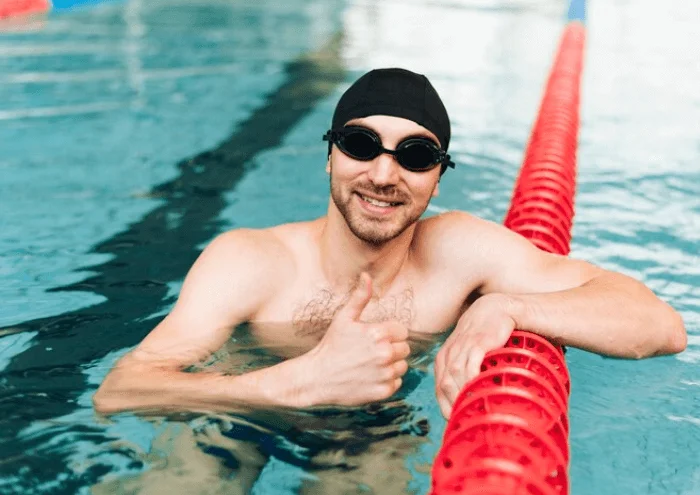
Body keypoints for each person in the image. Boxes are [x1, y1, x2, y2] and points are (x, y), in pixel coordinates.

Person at [94, 67, 687, 420]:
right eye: (360, 144)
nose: (383, 174)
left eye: (416, 155)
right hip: (233, 419)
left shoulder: (459, 254)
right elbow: (121, 391)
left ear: (438, 175)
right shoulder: (251, 261)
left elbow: (661, 327)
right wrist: (294, 384)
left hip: (375, 433)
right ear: (328, 155)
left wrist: (507, 306)